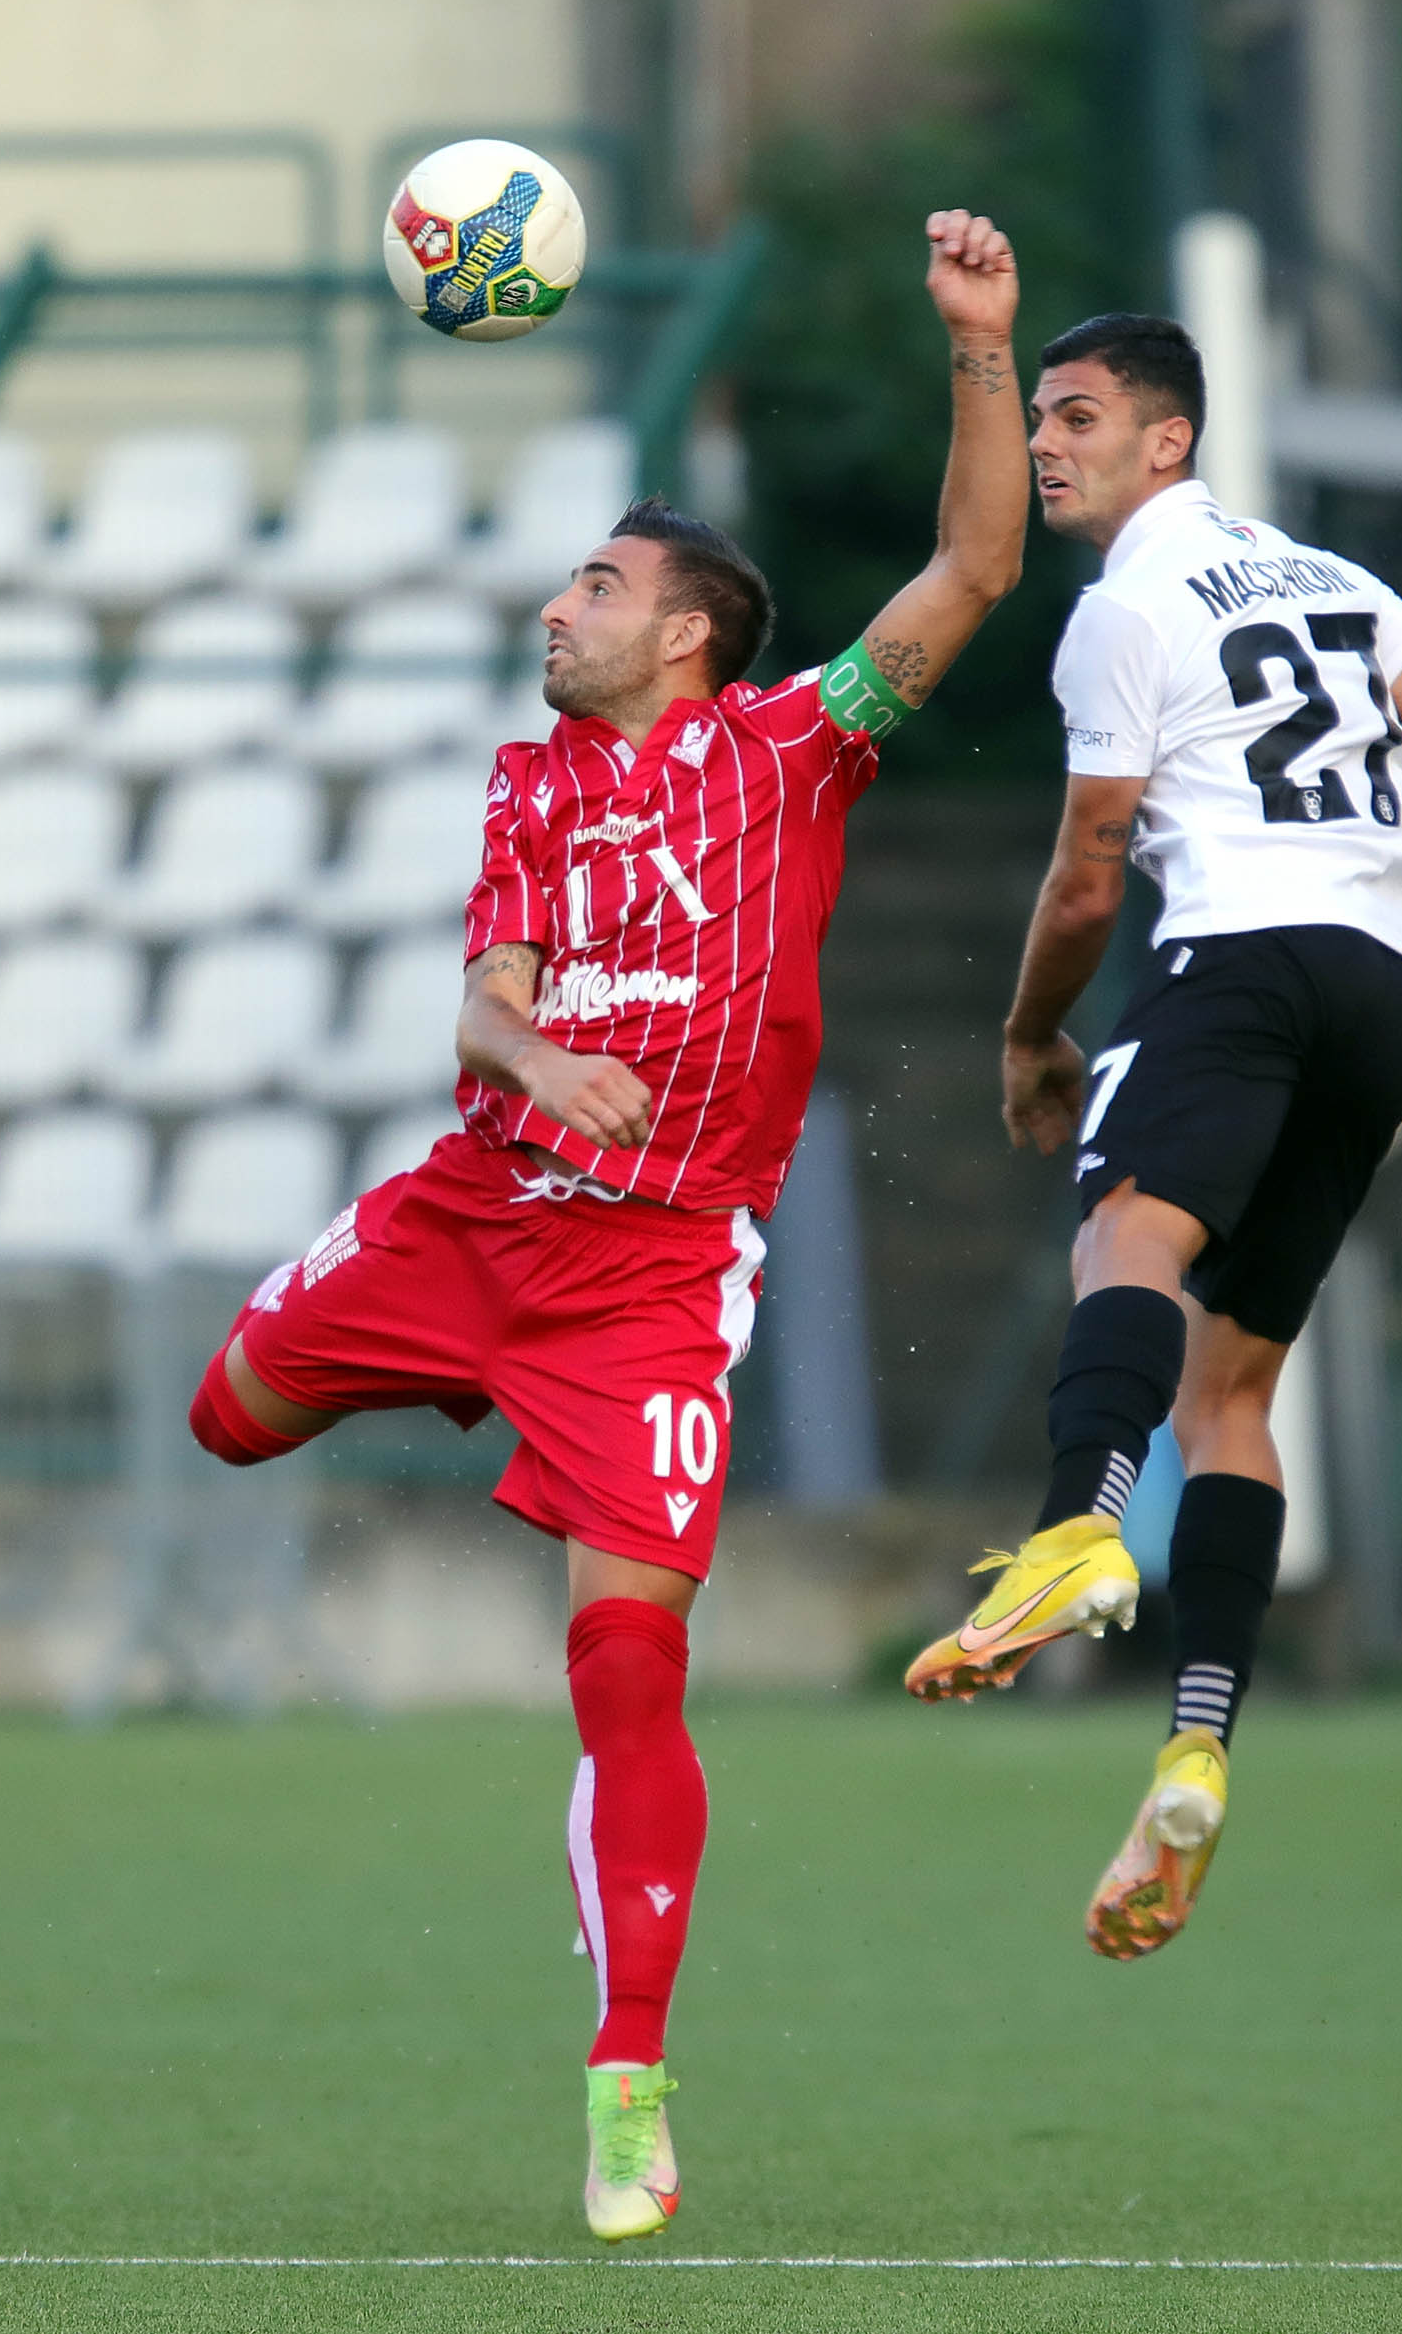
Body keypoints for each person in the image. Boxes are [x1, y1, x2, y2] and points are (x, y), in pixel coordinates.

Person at [185, 210, 1032, 2243]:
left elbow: (978, 569)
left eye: (595, 581)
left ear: (686, 634)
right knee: (223, 1414)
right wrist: (535, 1062)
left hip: (646, 1286)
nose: (556, 605)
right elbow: (480, 994)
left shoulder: (792, 747)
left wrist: (978, 348)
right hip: (469, 1214)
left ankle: (626, 2079)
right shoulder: (528, 782)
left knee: (627, 1676)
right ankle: (434, 1385)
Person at [898, 311, 1402, 1962]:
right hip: (1386, 996)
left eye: (1079, 416)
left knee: (1128, 1235)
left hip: (1243, 961)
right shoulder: (1327, 579)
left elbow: (1086, 875)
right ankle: (1198, 1738)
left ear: (1170, 442)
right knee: (1238, 1390)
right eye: (1040, 415)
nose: (1047, 442)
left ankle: (1077, 1529)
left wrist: (1025, 1035)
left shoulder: (1121, 610)